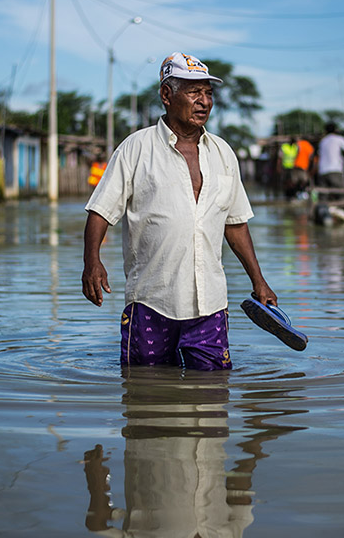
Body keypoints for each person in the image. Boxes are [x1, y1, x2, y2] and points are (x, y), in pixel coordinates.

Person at [81, 52, 277, 371]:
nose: (204, 102)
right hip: (151, 300)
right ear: (166, 95)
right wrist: (92, 261)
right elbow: (100, 211)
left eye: (208, 93)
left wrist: (259, 281)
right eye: (193, 92)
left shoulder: (223, 153)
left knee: (213, 397)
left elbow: (236, 224)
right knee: (143, 392)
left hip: (210, 304)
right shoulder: (136, 148)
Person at [315, 122, 344, 191]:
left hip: (322, 171)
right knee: (340, 195)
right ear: (336, 130)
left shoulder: (322, 141)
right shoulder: (339, 139)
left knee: (324, 197)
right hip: (335, 170)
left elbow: (318, 156)